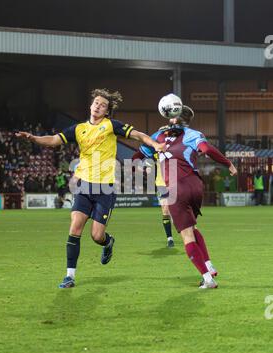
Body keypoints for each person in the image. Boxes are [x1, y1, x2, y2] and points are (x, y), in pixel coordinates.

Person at [16, 88, 166, 288]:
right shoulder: (78, 129)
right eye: (96, 103)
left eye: (103, 105)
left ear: (106, 111)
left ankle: (108, 242)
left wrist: (155, 145)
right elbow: (53, 140)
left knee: (97, 236)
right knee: (75, 227)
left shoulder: (111, 126)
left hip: (105, 189)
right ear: (90, 105)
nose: (98, 106)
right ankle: (69, 276)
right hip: (84, 185)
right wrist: (33, 138)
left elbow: (137, 135)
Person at [135, 105, 237, 289]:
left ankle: (207, 279)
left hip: (176, 188)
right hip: (195, 186)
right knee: (192, 227)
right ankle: (208, 265)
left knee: (187, 235)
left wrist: (134, 167)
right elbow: (207, 149)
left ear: (170, 116)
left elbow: (139, 156)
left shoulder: (158, 137)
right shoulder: (193, 134)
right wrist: (227, 163)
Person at [132, 129, 175, 248]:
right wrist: (138, 168)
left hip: (178, 181)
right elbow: (136, 158)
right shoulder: (154, 147)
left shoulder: (178, 145)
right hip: (162, 183)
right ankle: (170, 238)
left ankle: (191, 231)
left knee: (181, 211)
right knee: (165, 210)